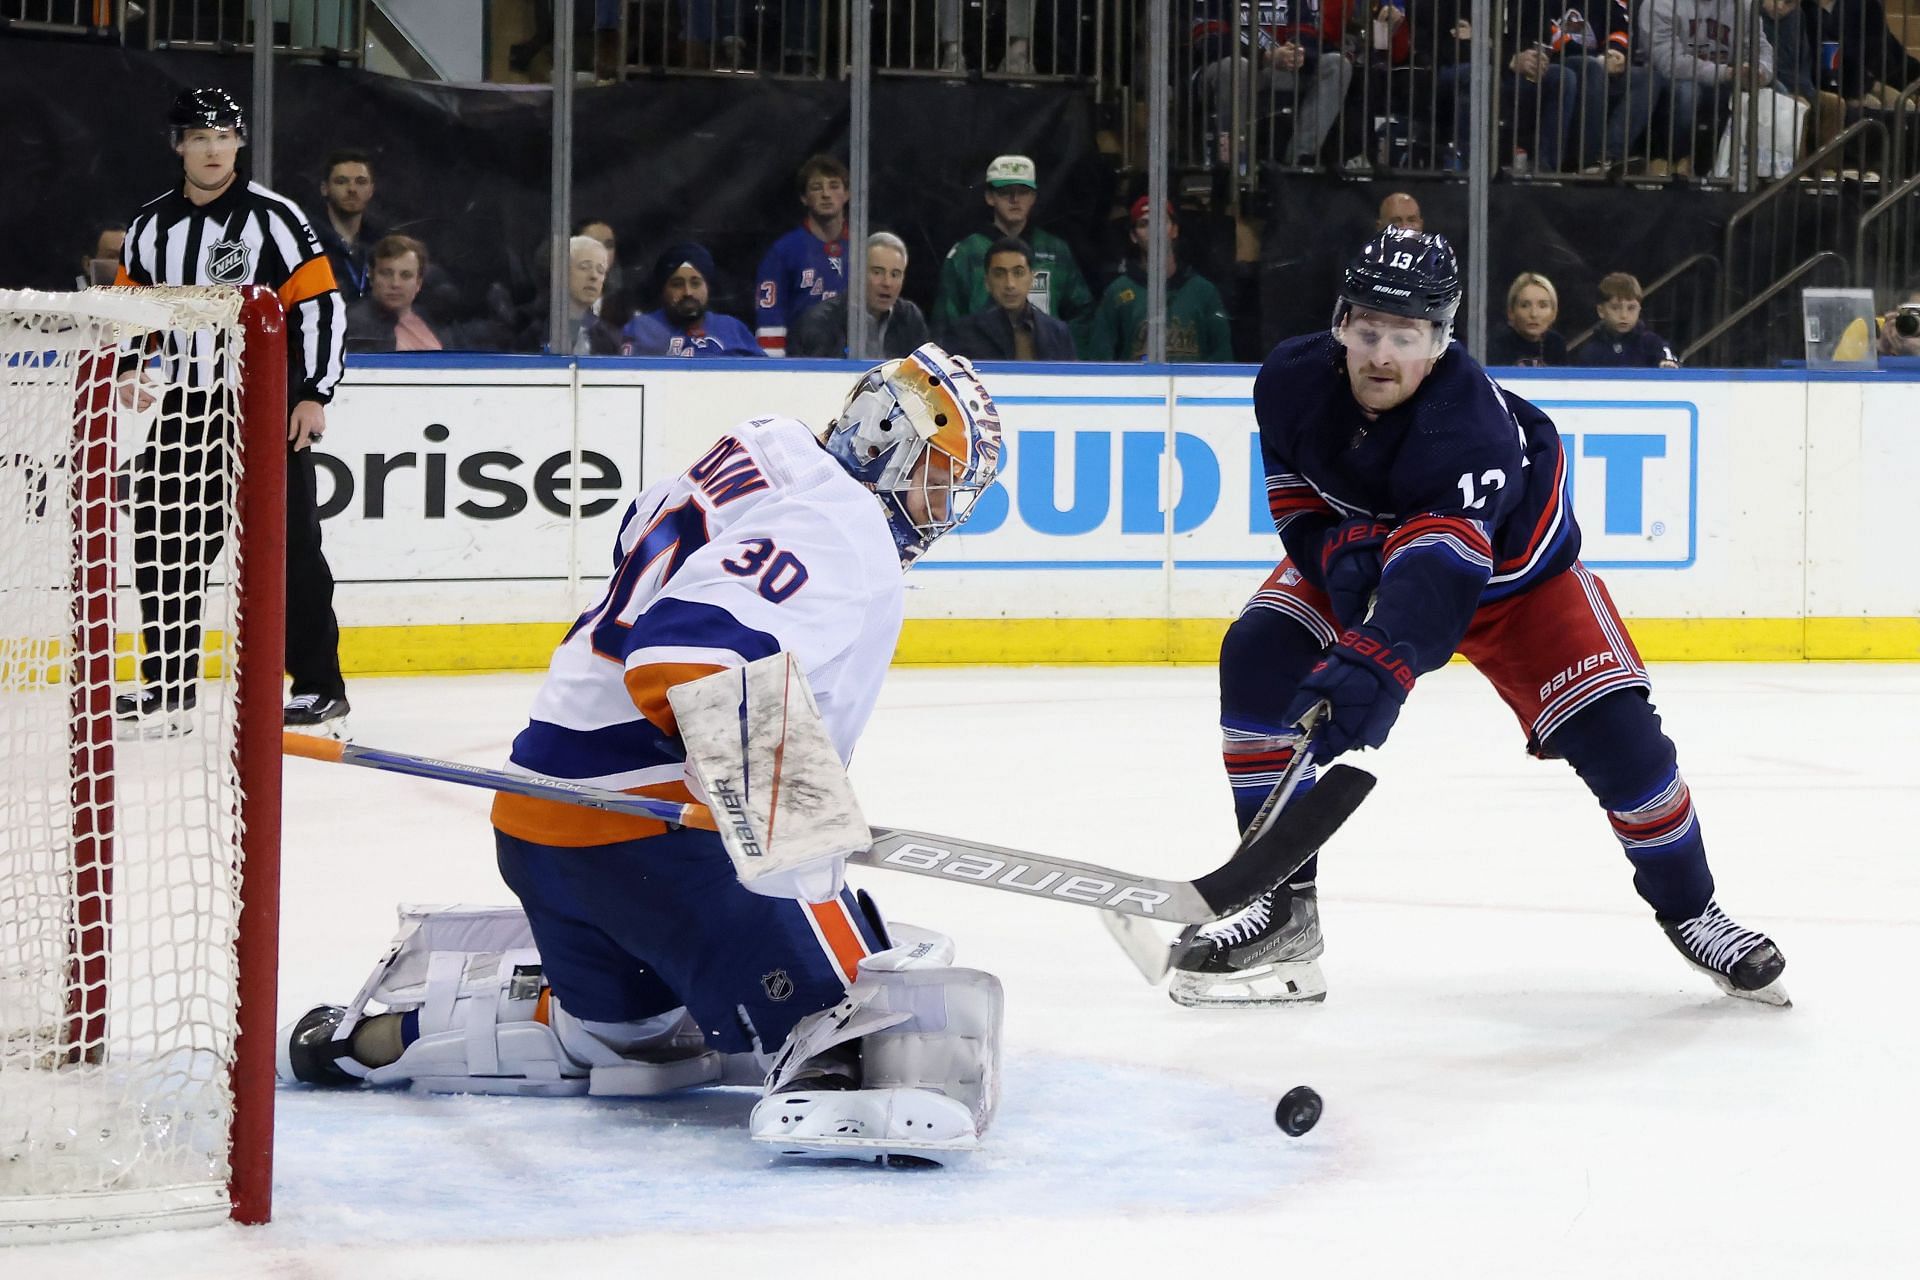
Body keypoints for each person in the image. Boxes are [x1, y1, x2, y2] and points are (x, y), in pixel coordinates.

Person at [276, 343, 1010, 1165]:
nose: (941, 509)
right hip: (649, 841)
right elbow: (684, 656)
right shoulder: (844, 525)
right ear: (889, 445)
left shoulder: (766, 447)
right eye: (939, 479)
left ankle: (399, 1037)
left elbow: (641, 538)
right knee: (876, 1036)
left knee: (631, 1038)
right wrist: (791, 820)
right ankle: (813, 1042)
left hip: (538, 826)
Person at [1166, 227, 1787, 1009]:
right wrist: (1333, 552)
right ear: (1339, 323)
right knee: (1258, 656)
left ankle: (1697, 911)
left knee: (1627, 749)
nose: (1382, 354)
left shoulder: (1468, 428)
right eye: (1366, 330)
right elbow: (1292, 492)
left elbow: (1438, 576)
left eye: (1406, 335)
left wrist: (1378, 663)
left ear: (1440, 340)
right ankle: (1282, 912)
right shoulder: (1290, 379)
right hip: (1383, 552)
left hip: (1513, 582)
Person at [114, 88, 352, 735]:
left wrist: (313, 392)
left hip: (265, 404)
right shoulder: (151, 224)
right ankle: (168, 686)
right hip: (188, 404)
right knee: (163, 542)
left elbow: (320, 305)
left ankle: (319, 687)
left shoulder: (273, 218)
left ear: (239, 142)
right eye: (199, 136)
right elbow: (135, 309)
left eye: (223, 136)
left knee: (290, 549)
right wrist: (133, 363)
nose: (213, 148)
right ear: (179, 146)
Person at [931, 155, 1093, 352]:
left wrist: (1062, 358)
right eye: (1005, 192)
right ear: (990, 197)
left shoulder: (1056, 250)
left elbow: (1082, 314)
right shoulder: (966, 253)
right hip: (981, 366)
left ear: (1033, 197)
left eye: (1023, 192)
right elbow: (945, 323)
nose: (1015, 199)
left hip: (1046, 370)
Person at [1188, 1, 1355, 170]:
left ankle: (1301, 159)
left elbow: (1307, 36)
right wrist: (1265, 57)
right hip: (1220, 70)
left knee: (1337, 65)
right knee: (1236, 67)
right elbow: (1210, 43)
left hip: (1279, 69)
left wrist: (1295, 54)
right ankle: (1237, 163)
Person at [1085, 198, 1234, 362]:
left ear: (1175, 230)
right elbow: (1099, 359)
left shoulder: (1204, 291)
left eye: (1161, 221)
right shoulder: (1117, 292)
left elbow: (1223, 356)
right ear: (1133, 236)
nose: (1154, 230)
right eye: (1144, 224)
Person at [1641, 0, 1775, 177]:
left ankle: (1760, 171)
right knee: (1688, 94)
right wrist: (1726, 73)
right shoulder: (1659, 4)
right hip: (1669, 80)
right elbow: (1669, 62)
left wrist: (1759, 71)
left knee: (1773, 92)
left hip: (1725, 78)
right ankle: (1673, 160)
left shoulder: (1744, 5)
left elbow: (1760, 47)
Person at [753, 154, 849, 355]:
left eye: (834, 186)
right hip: (802, 365)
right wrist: (775, 372)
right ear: (804, 198)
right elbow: (770, 318)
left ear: (847, 193)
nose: (825, 194)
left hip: (854, 362)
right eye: (816, 187)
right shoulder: (783, 252)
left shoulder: (864, 250)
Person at [792, 231, 932, 359]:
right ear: (858, 272)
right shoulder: (821, 321)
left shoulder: (909, 318)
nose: (887, 283)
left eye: (895, 274)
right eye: (877, 272)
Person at [941, 236, 1077, 362]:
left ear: (1032, 279)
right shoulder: (963, 333)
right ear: (987, 282)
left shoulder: (1057, 332)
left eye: (1018, 273)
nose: (1010, 284)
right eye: (999, 274)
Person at [621, 241, 763, 357]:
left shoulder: (733, 329)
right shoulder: (639, 329)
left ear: (708, 287)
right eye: (677, 284)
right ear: (663, 290)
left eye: (695, 283)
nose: (688, 292)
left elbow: (766, 380)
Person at [346, 235, 458, 353]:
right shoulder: (355, 325)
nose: (395, 284)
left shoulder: (434, 320)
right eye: (386, 273)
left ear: (418, 283)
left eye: (405, 275)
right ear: (372, 277)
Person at [518, 236, 625, 355]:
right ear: (560, 273)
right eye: (584, 267)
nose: (594, 276)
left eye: (600, 270)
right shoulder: (533, 333)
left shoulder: (611, 339)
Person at [1576, 273, 1681, 367]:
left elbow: (1672, 366)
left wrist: (1667, 366)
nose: (1624, 315)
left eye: (1631, 308)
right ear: (1601, 311)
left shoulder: (1653, 343)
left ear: (1639, 309)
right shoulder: (1590, 352)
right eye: (1615, 308)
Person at [315, 149, 379, 304]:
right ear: (325, 188)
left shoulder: (380, 244)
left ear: (371, 190)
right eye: (341, 181)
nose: (352, 189)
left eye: (361, 182)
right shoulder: (308, 243)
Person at [1486, 271, 1567, 366]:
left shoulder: (1556, 344)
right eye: (1525, 306)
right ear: (1511, 312)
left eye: (1542, 306)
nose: (1534, 314)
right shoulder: (1497, 345)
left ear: (1554, 313)